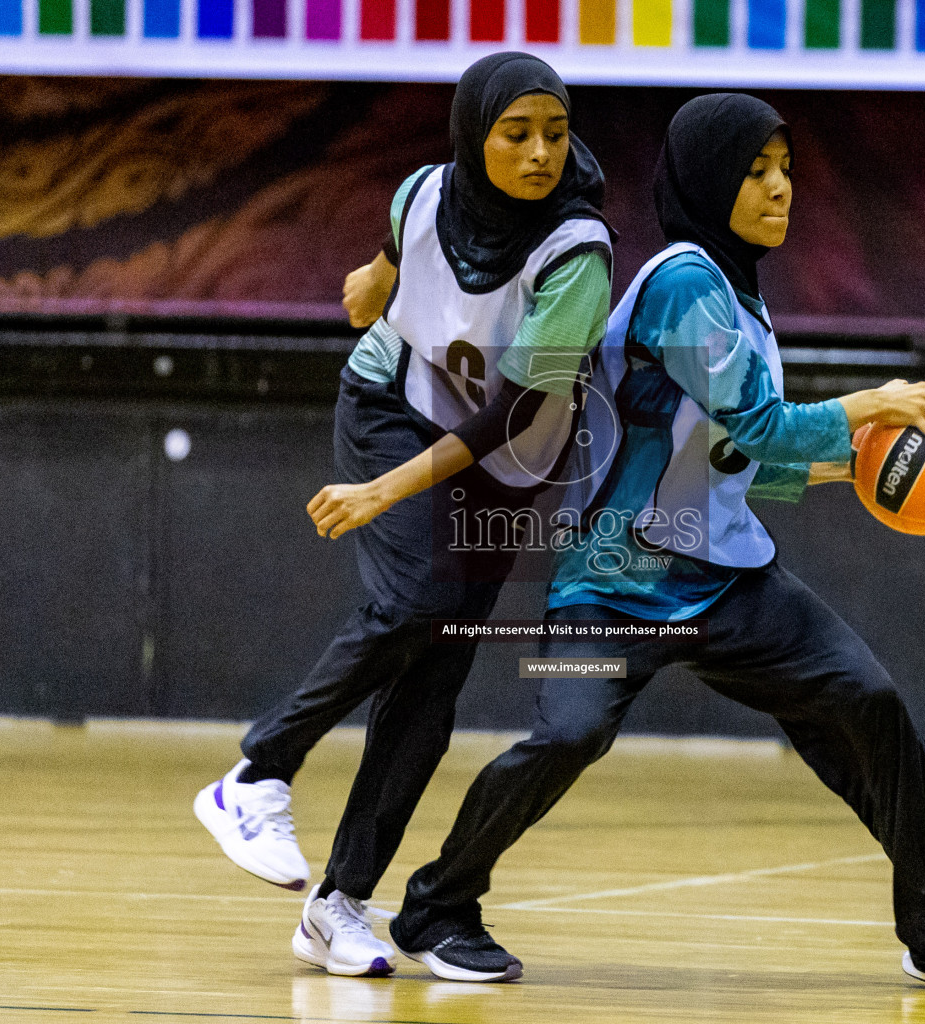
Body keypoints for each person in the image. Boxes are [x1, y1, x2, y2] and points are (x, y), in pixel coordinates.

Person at [386, 94, 925, 995]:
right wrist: (871, 406)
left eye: (787, 173)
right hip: (614, 582)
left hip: (727, 581)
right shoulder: (684, 282)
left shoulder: (738, 296)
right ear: (706, 180)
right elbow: (764, 425)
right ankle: (436, 910)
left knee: (869, 706)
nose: (780, 189)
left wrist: (855, 469)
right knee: (566, 737)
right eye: (756, 171)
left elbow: (730, 454)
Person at [192, 52, 613, 980]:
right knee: (416, 600)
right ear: (474, 136)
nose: (541, 152)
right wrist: (372, 279)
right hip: (391, 406)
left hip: (500, 457)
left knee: (430, 687)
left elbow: (516, 410)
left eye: (556, 132)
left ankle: (336, 905)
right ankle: (256, 773)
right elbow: (394, 253)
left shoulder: (576, 250)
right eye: (517, 134)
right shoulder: (423, 189)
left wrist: (387, 492)